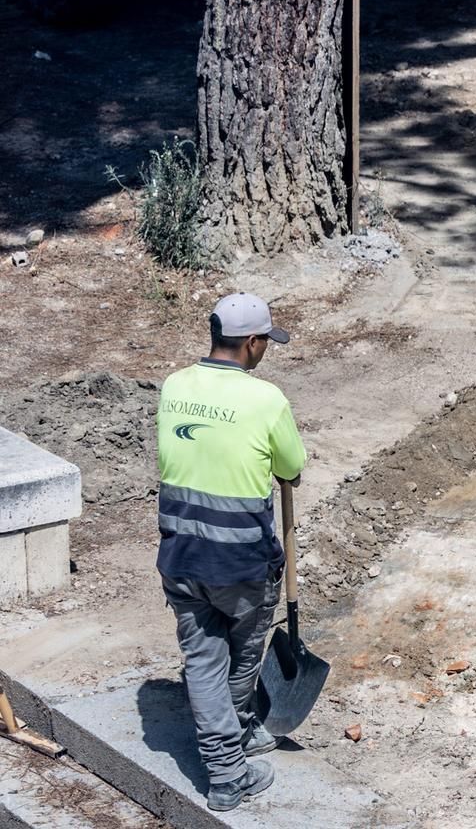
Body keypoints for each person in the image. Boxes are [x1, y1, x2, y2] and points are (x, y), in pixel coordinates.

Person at [155, 293, 305, 810]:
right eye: (266, 342)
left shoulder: (174, 386)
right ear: (253, 343)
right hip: (240, 563)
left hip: (180, 555)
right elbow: (292, 466)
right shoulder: (266, 400)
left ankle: (239, 736)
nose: (266, 351)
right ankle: (226, 773)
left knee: (201, 659)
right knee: (239, 660)